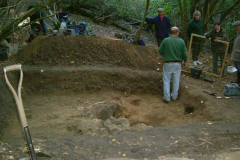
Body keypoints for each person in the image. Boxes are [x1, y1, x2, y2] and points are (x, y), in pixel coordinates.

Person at [159, 27, 188, 103]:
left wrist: (166, 56)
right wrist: (185, 61)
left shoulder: (166, 40)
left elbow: (160, 51)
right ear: (177, 33)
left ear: (170, 32)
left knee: (166, 81)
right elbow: (185, 53)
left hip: (167, 63)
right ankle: (174, 97)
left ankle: (167, 98)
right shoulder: (181, 41)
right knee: (176, 81)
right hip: (178, 64)